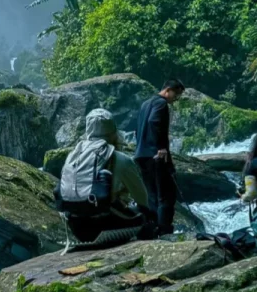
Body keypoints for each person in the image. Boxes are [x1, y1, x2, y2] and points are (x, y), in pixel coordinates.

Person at [58, 109, 156, 243]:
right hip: (105, 227)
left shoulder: (73, 156)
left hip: (77, 229)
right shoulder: (121, 159)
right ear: (113, 132)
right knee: (145, 215)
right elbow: (142, 198)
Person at [134, 78, 186, 235]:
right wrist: (161, 147)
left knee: (151, 195)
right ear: (168, 90)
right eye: (176, 95)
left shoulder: (145, 104)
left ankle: (153, 228)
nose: (175, 99)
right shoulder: (161, 103)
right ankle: (164, 231)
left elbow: (138, 130)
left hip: (141, 155)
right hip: (156, 156)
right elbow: (154, 121)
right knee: (166, 195)